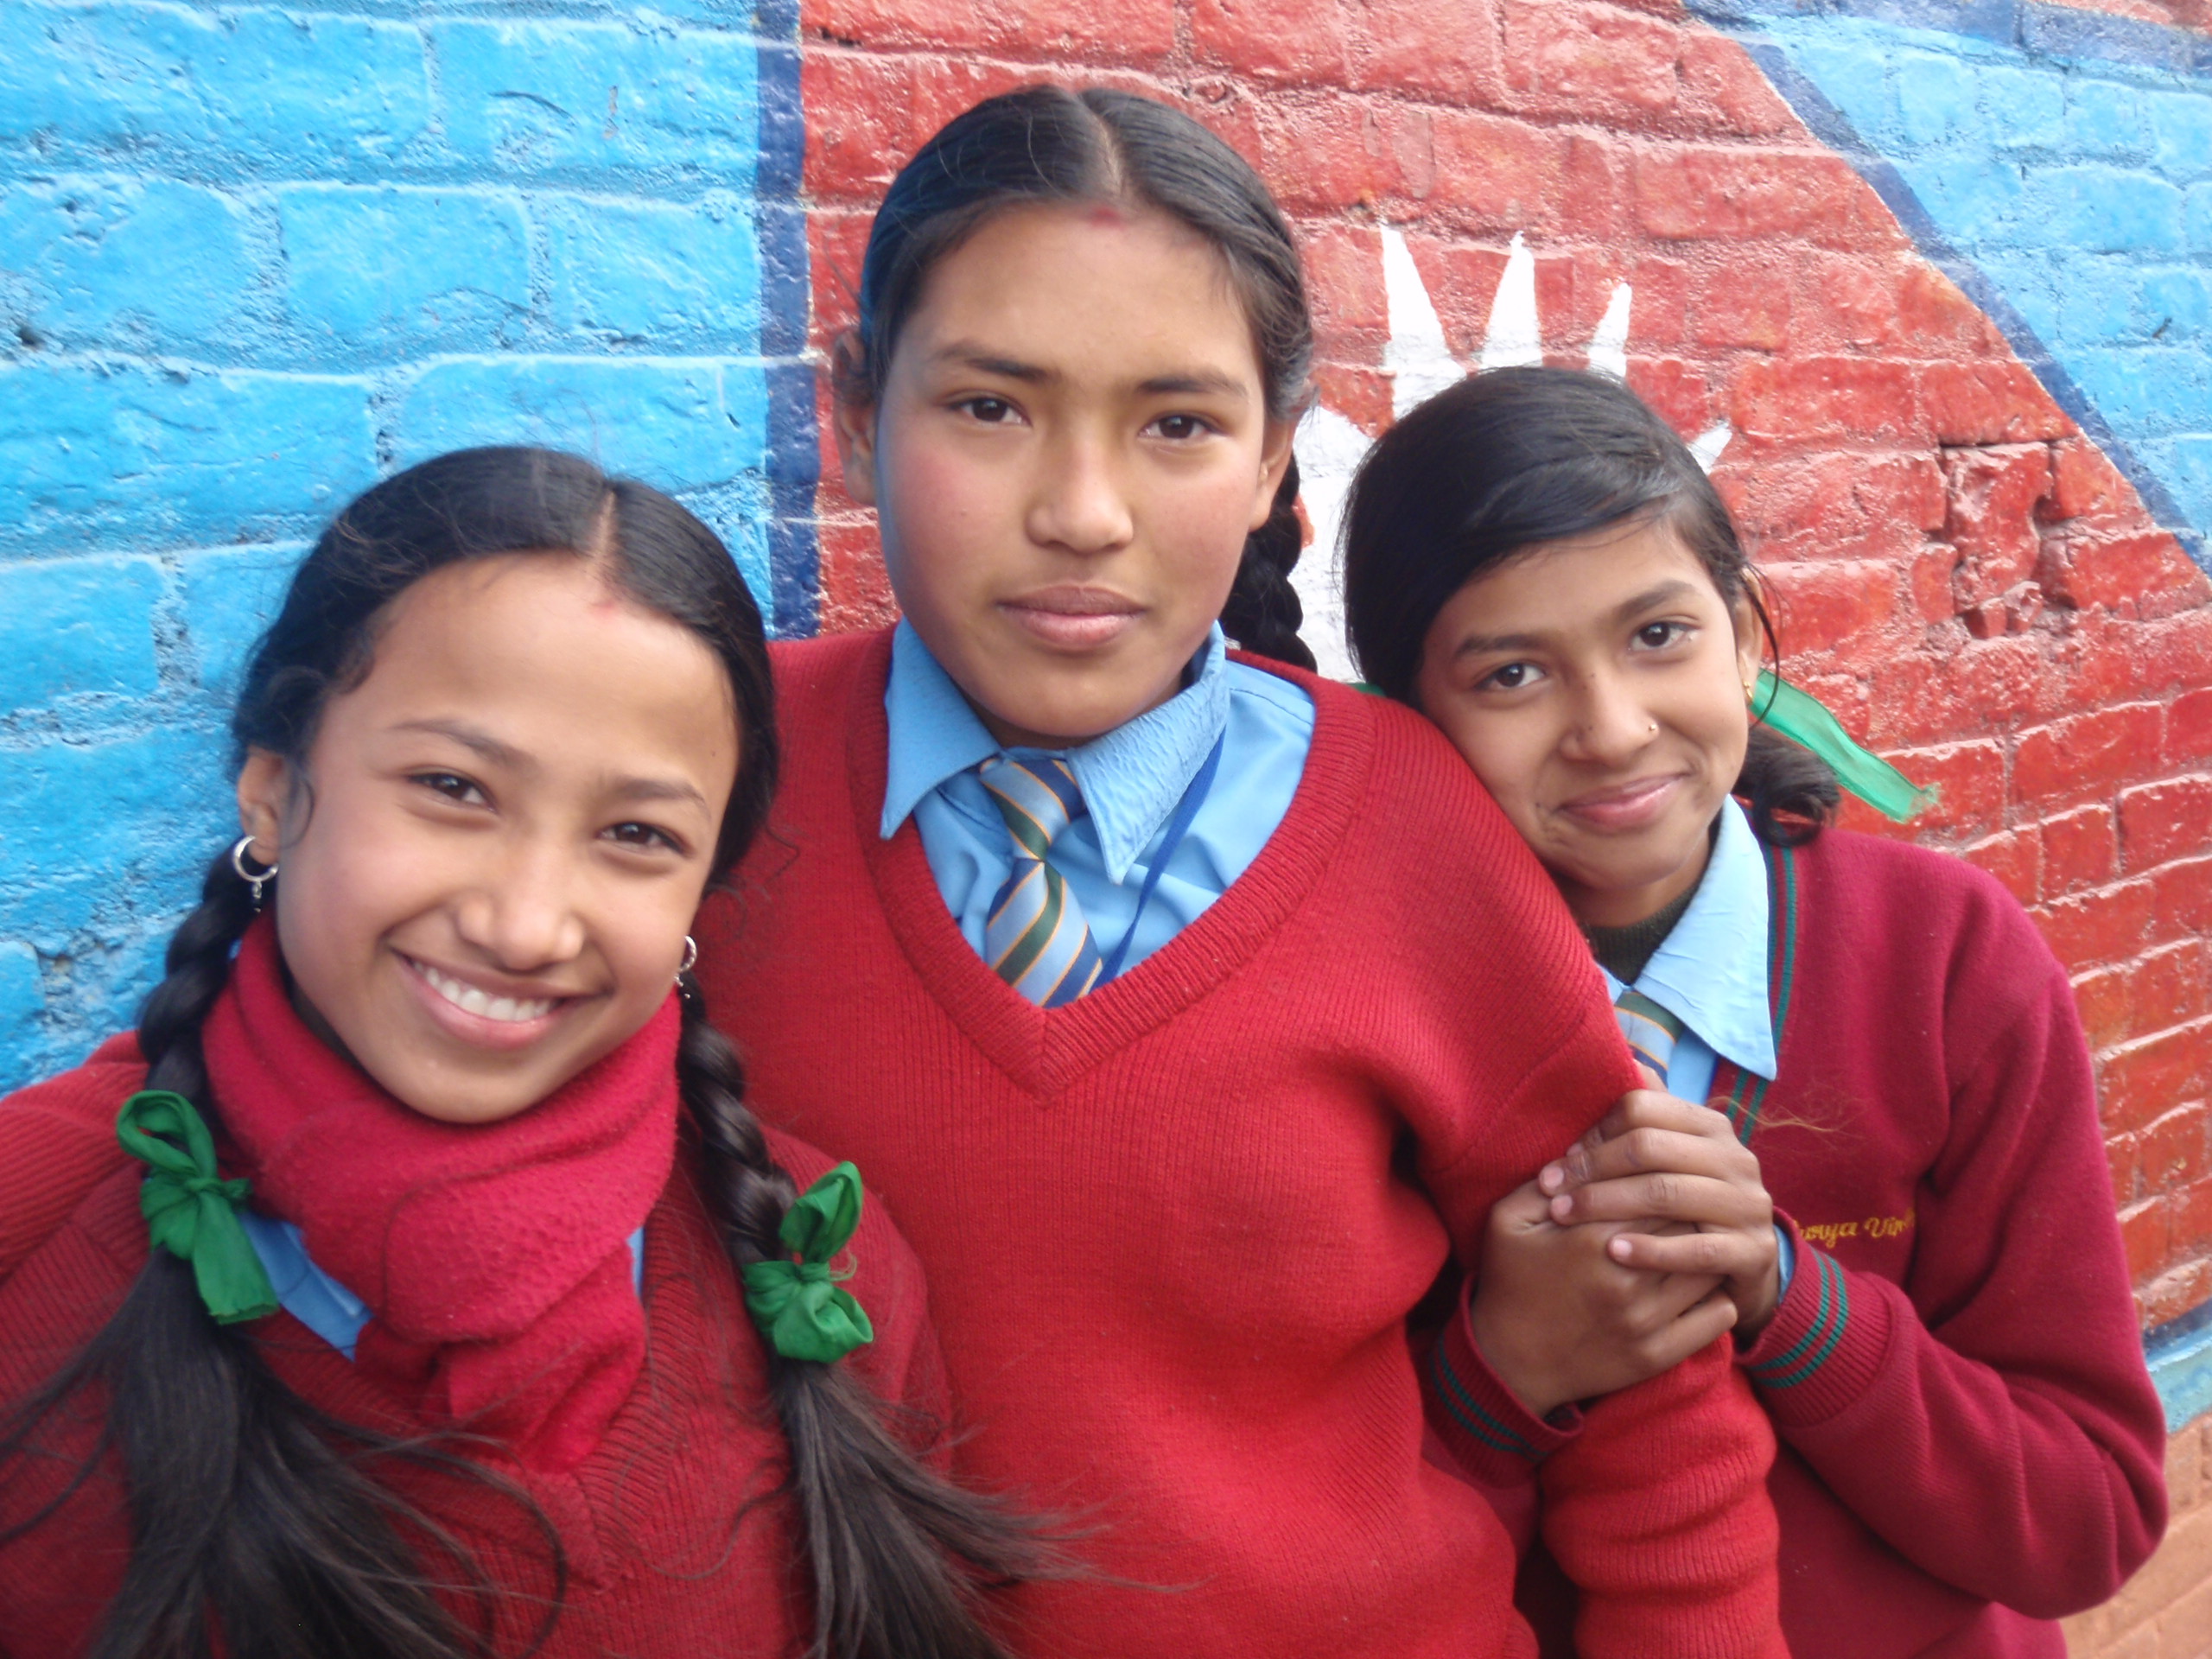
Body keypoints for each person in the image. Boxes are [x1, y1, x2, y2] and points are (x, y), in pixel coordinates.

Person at [694, 86, 1785, 1659]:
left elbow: (1650, 1375)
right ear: (855, 410)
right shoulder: (707, 788)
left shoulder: (1407, 820)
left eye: (1178, 426)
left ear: (1279, 458)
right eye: (990, 408)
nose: (1082, 514)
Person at [0, 448, 1049, 1659]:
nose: (525, 926)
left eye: (637, 835)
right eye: (453, 787)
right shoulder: (39, 1256)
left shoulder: (825, 1271)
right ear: (273, 791)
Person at [1339, 365, 2171, 1657]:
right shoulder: (1356, 1019)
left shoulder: (1945, 961)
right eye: (1511, 674)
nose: (1612, 730)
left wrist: (1791, 1297)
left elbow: (2087, 1521)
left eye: (1658, 636)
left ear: (1738, 631)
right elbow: (1322, 1552)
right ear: (1410, 719)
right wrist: (1506, 1373)